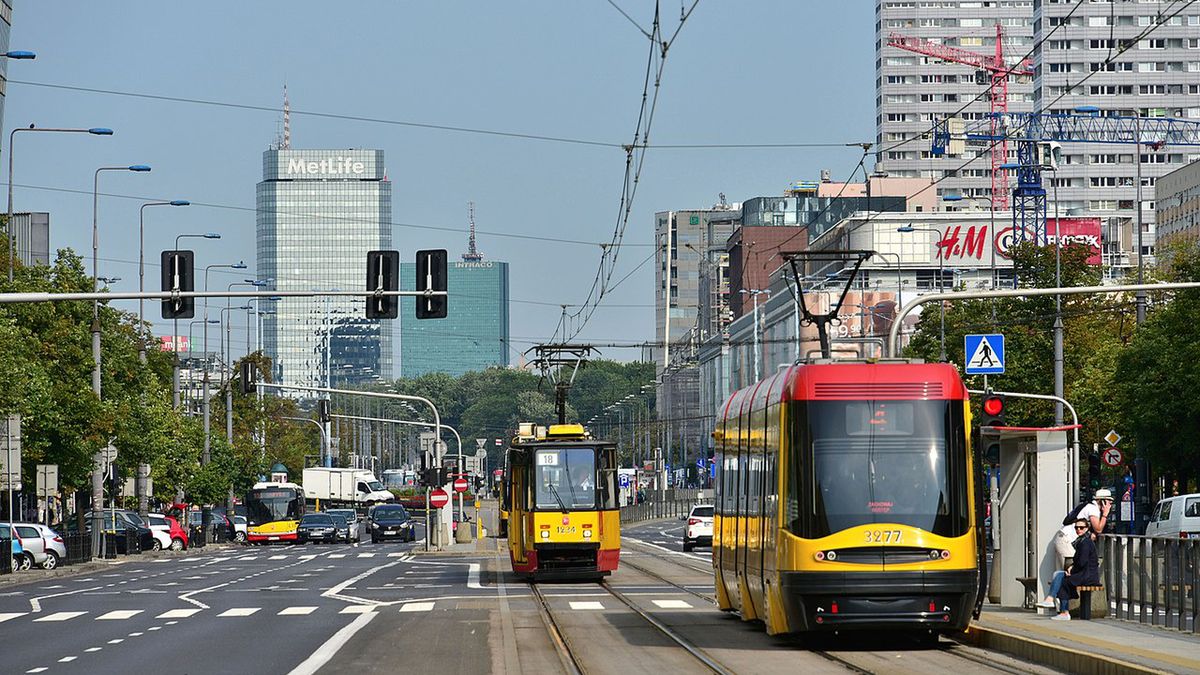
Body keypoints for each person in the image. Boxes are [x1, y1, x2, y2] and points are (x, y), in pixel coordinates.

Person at [1041, 518, 1100, 620]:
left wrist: (1072, 570)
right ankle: (1053, 601)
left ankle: (1061, 609)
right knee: (1058, 575)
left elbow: (1082, 562)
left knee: (1062, 580)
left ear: (1087, 528)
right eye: (1076, 528)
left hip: (1087, 576)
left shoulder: (1085, 543)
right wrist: (1072, 567)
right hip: (1085, 574)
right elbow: (1080, 561)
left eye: (1081, 528)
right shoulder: (1082, 541)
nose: (1079, 530)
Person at [1053, 488, 1112, 567]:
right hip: (1066, 539)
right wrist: (1105, 514)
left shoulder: (1088, 506)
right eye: (1109, 502)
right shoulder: (1093, 509)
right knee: (1072, 568)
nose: (1110, 505)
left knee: (1067, 571)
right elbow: (1098, 529)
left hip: (1065, 539)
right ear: (1103, 501)